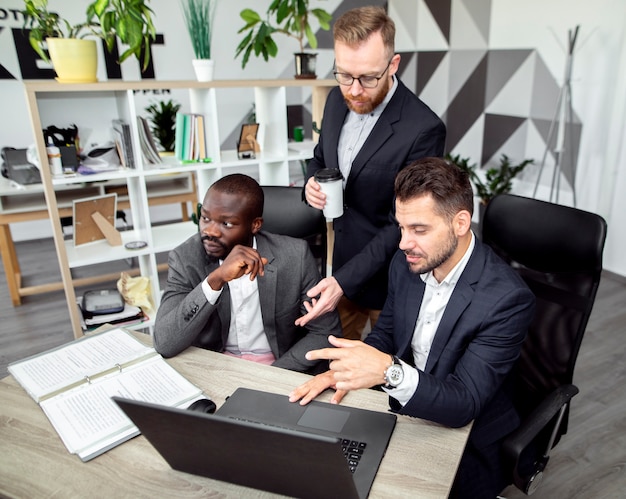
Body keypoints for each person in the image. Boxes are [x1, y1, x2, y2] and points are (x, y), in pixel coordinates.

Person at [290, 158, 536, 497]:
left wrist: (388, 372)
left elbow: (465, 402)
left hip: (468, 437)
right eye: (401, 227)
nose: (404, 242)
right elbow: (387, 334)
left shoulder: (507, 299)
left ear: (460, 223)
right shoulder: (407, 264)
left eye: (419, 230)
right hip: (407, 409)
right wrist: (348, 370)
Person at [298, 6, 446, 340]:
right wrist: (311, 183)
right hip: (343, 268)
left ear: (393, 64)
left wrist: (345, 280)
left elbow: (405, 223)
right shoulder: (337, 100)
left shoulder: (423, 128)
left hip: (393, 281)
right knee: (336, 369)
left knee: (385, 382)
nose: (353, 90)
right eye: (344, 75)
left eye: (367, 78)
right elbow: (321, 157)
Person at [154, 174, 342, 374]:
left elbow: (325, 331)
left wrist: (272, 375)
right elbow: (165, 343)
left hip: (279, 366)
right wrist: (215, 280)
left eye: (226, 224)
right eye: (206, 218)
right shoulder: (186, 258)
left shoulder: (295, 256)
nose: (210, 231)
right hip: (216, 366)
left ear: (255, 225)